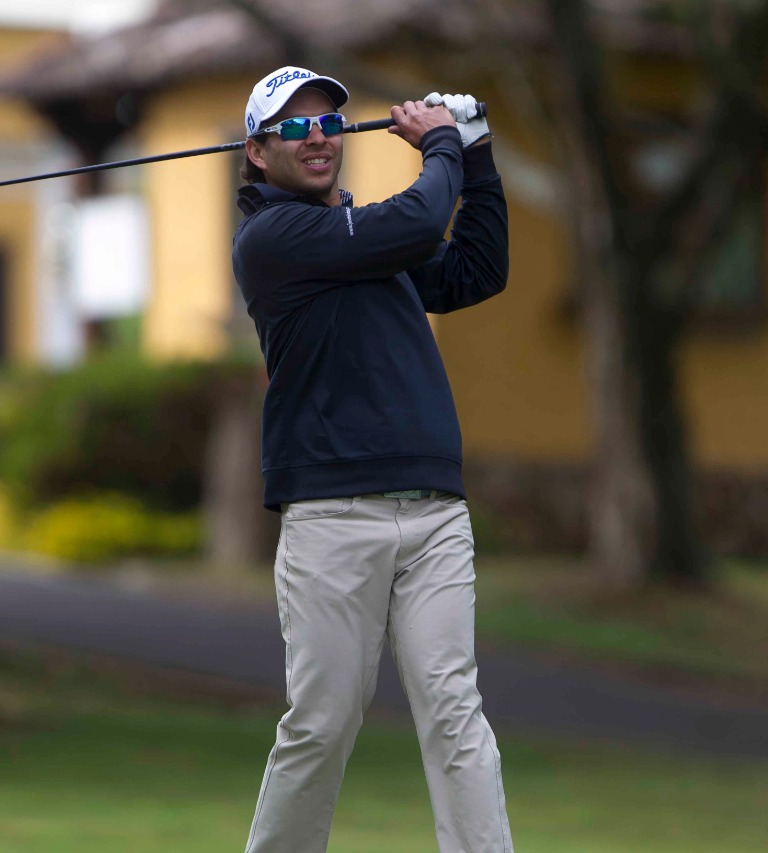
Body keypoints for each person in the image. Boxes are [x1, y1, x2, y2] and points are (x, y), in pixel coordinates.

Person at [233, 66, 512, 852]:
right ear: (258, 153)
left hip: (433, 513)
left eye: (325, 123)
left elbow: (472, 270)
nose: (315, 137)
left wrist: (478, 155)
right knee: (321, 721)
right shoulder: (273, 241)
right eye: (292, 128)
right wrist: (444, 145)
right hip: (330, 517)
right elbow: (420, 224)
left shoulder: (363, 231)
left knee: (454, 708)